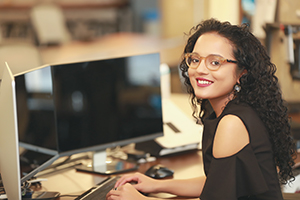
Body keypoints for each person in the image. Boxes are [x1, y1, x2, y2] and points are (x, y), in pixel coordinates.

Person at [106, 18, 296, 200]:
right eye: (195, 59)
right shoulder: (226, 110)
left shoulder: (233, 123)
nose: (200, 69)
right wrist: (156, 184)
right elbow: (216, 183)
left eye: (215, 62)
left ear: (242, 72)